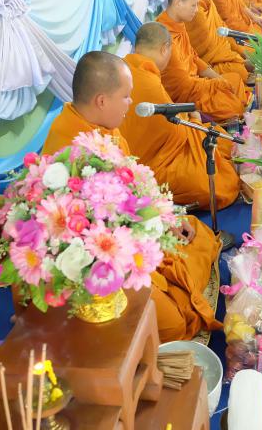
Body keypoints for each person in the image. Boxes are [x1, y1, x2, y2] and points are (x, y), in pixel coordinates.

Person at [42, 51, 223, 342]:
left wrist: (167, 218)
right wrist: (150, 232)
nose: (131, 103)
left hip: (137, 232)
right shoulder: (70, 150)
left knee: (195, 230)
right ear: (102, 101)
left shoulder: (106, 130)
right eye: (126, 96)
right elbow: (88, 238)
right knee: (174, 325)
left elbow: (136, 184)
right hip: (105, 259)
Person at [121, 21, 240, 208]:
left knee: (220, 140)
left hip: (155, 147)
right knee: (220, 185)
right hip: (151, 163)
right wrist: (195, 121)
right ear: (164, 48)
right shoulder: (146, 78)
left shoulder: (129, 68)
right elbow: (173, 132)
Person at [156, 0, 249, 122]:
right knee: (232, 105)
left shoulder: (179, 23)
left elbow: (194, 58)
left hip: (197, 84)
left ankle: (225, 110)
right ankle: (210, 114)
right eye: (193, 5)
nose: (196, 10)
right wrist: (214, 84)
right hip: (186, 95)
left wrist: (218, 78)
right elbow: (183, 84)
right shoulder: (163, 35)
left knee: (235, 80)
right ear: (178, 2)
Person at [187, 0, 251, 84]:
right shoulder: (195, 12)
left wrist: (241, 53)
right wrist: (239, 59)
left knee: (249, 53)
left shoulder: (209, 1)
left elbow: (224, 30)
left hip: (223, 54)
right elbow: (208, 51)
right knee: (240, 72)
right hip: (209, 63)